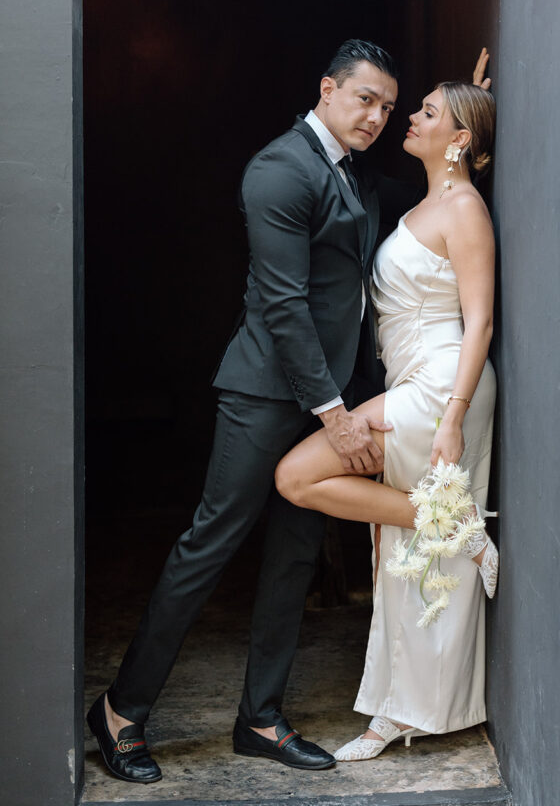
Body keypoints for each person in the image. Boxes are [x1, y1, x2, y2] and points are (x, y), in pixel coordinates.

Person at [86, 39, 403, 782]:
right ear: (327, 88)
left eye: (389, 107)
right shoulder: (278, 169)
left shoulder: (353, 171)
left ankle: (260, 718)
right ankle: (121, 711)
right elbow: (283, 304)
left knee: (294, 553)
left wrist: (462, 124)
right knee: (212, 542)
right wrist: (334, 412)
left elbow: (414, 191)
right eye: (365, 99)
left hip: (326, 397)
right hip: (268, 392)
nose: (376, 116)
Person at [275, 79, 498, 760]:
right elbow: (462, 131)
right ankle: (399, 711)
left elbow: (479, 319)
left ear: (458, 140)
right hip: (415, 381)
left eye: (428, 113)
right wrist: (466, 97)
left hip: (440, 385)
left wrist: (454, 415)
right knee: (394, 552)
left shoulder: (462, 207)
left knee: (298, 475)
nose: (409, 116)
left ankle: (450, 528)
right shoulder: (437, 197)